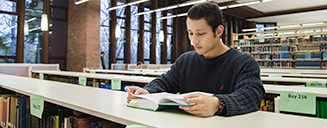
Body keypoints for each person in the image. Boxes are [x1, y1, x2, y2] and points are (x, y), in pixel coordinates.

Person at [125, 2, 265, 117]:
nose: (193, 41)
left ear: (219, 31)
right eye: (190, 33)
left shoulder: (244, 62)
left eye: (200, 34)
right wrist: (147, 91)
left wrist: (218, 103)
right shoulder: (185, 60)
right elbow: (165, 82)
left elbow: (252, 95)